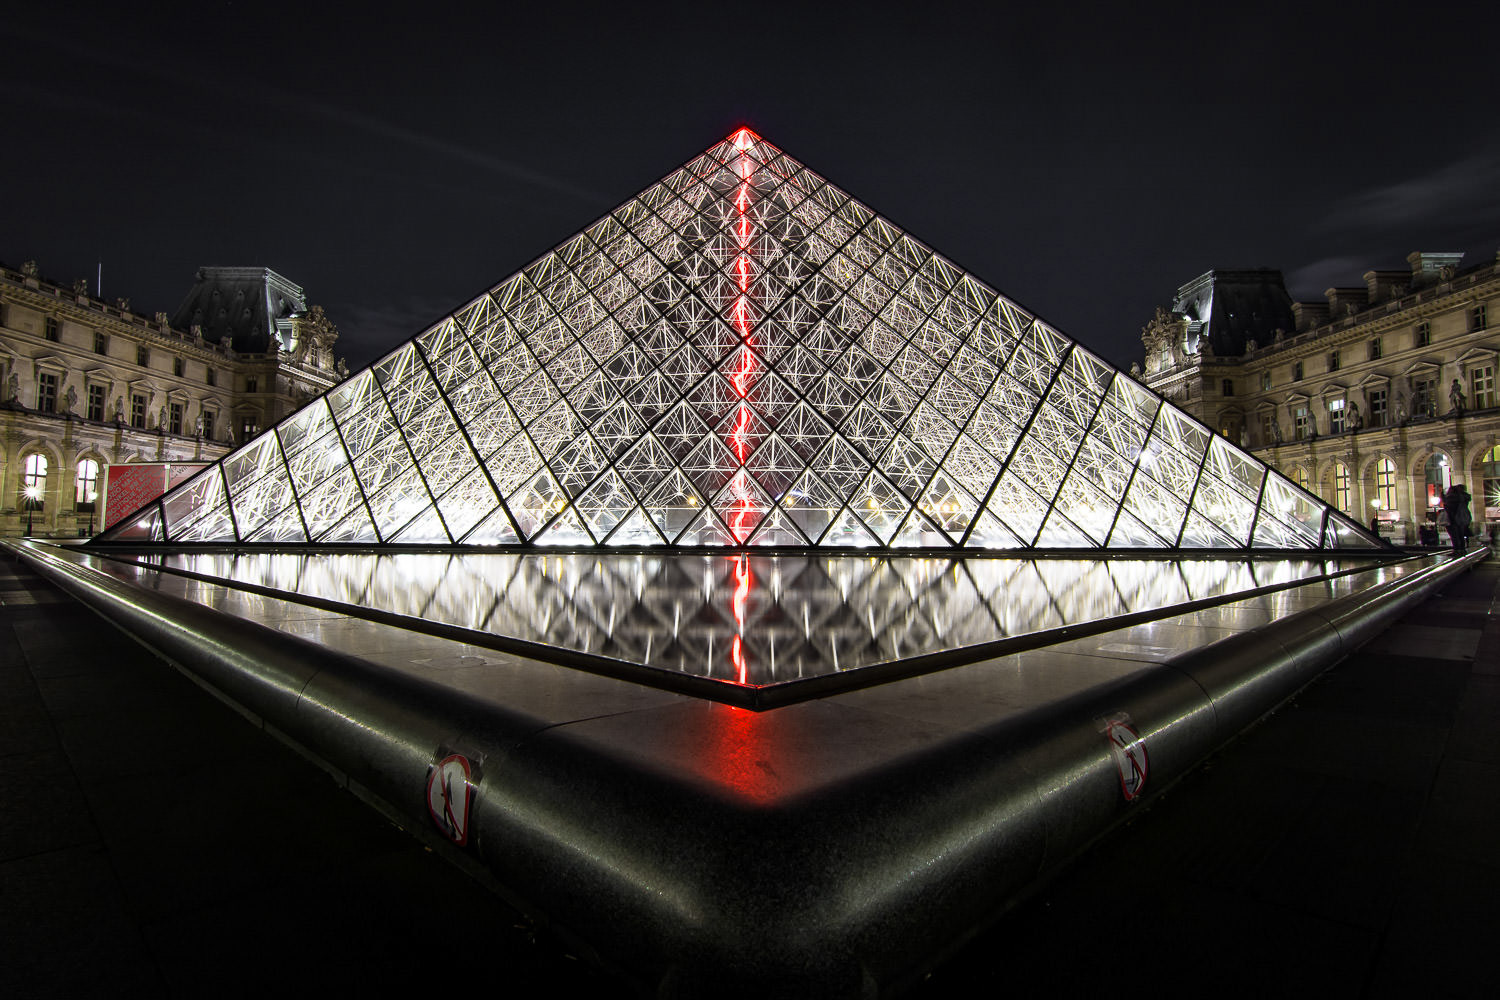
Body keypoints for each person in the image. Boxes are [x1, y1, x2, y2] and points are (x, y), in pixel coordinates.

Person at [1442, 484, 1473, 555]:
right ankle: (1462, 549)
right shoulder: (1464, 498)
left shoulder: (1452, 498)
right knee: (1460, 534)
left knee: (1454, 535)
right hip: (1462, 518)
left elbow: (1448, 508)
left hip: (1452, 519)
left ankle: (1456, 550)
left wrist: (1443, 498)